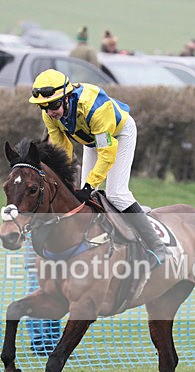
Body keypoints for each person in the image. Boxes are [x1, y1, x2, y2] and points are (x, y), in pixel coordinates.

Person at [28, 69, 168, 269]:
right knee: (85, 197)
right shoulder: (50, 115)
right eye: (43, 107)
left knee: (116, 194)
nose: (50, 111)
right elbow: (62, 149)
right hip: (92, 139)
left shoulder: (95, 108)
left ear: (67, 97)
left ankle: (157, 245)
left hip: (119, 134)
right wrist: (63, 179)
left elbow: (107, 152)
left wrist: (89, 185)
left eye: (54, 105)